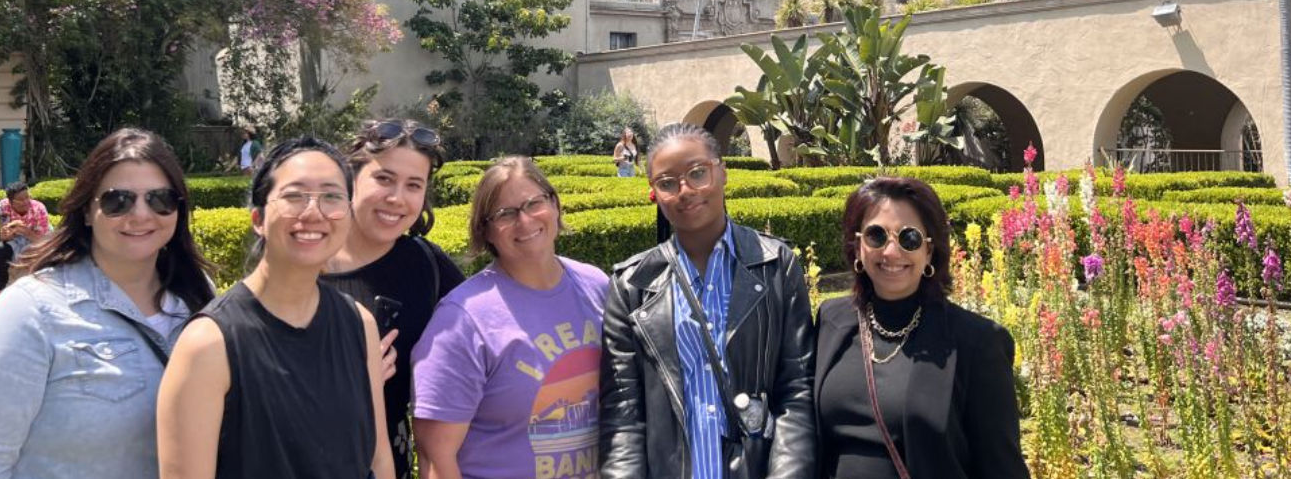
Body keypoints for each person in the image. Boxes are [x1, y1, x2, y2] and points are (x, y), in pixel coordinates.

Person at [0, 128, 216, 479]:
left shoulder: (197, 296)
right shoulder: (30, 313)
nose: (142, 214)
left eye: (160, 199)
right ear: (88, 210)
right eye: (119, 200)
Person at [158, 135, 393, 479]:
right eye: (294, 196)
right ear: (258, 218)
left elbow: (378, 459)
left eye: (332, 196)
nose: (314, 212)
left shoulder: (360, 323)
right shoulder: (209, 343)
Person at [600, 123, 815, 479]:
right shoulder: (632, 285)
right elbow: (624, 414)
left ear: (723, 172)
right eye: (667, 182)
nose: (685, 190)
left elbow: (796, 389)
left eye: (698, 173)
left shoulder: (775, 265)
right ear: (654, 192)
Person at [814, 177, 1028, 479]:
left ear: (929, 251)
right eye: (876, 235)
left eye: (909, 238)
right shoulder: (830, 321)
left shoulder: (977, 342)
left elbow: (1001, 468)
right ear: (858, 245)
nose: (891, 252)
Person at [411, 156, 609, 479]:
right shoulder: (462, 320)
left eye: (534, 203)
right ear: (485, 231)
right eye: (505, 214)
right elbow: (436, 458)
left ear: (555, 205)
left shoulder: (596, 285)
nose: (525, 220)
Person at [322, 119, 466, 479]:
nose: (397, 198)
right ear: (350, 178)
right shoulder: (301, 260)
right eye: (384, 179)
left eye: (413, 185)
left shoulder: (428, 267)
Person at [0, 180, 53, 296]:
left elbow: (42, 240)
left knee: (38, 255)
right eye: (21, 200)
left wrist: (25, 231)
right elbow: (3, 234)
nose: (26, 202)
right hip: (15, 240)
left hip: (38, 239)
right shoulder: (4, 206)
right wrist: (6, 235)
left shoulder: (39, 209)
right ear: (11, 201)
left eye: (27, 197)